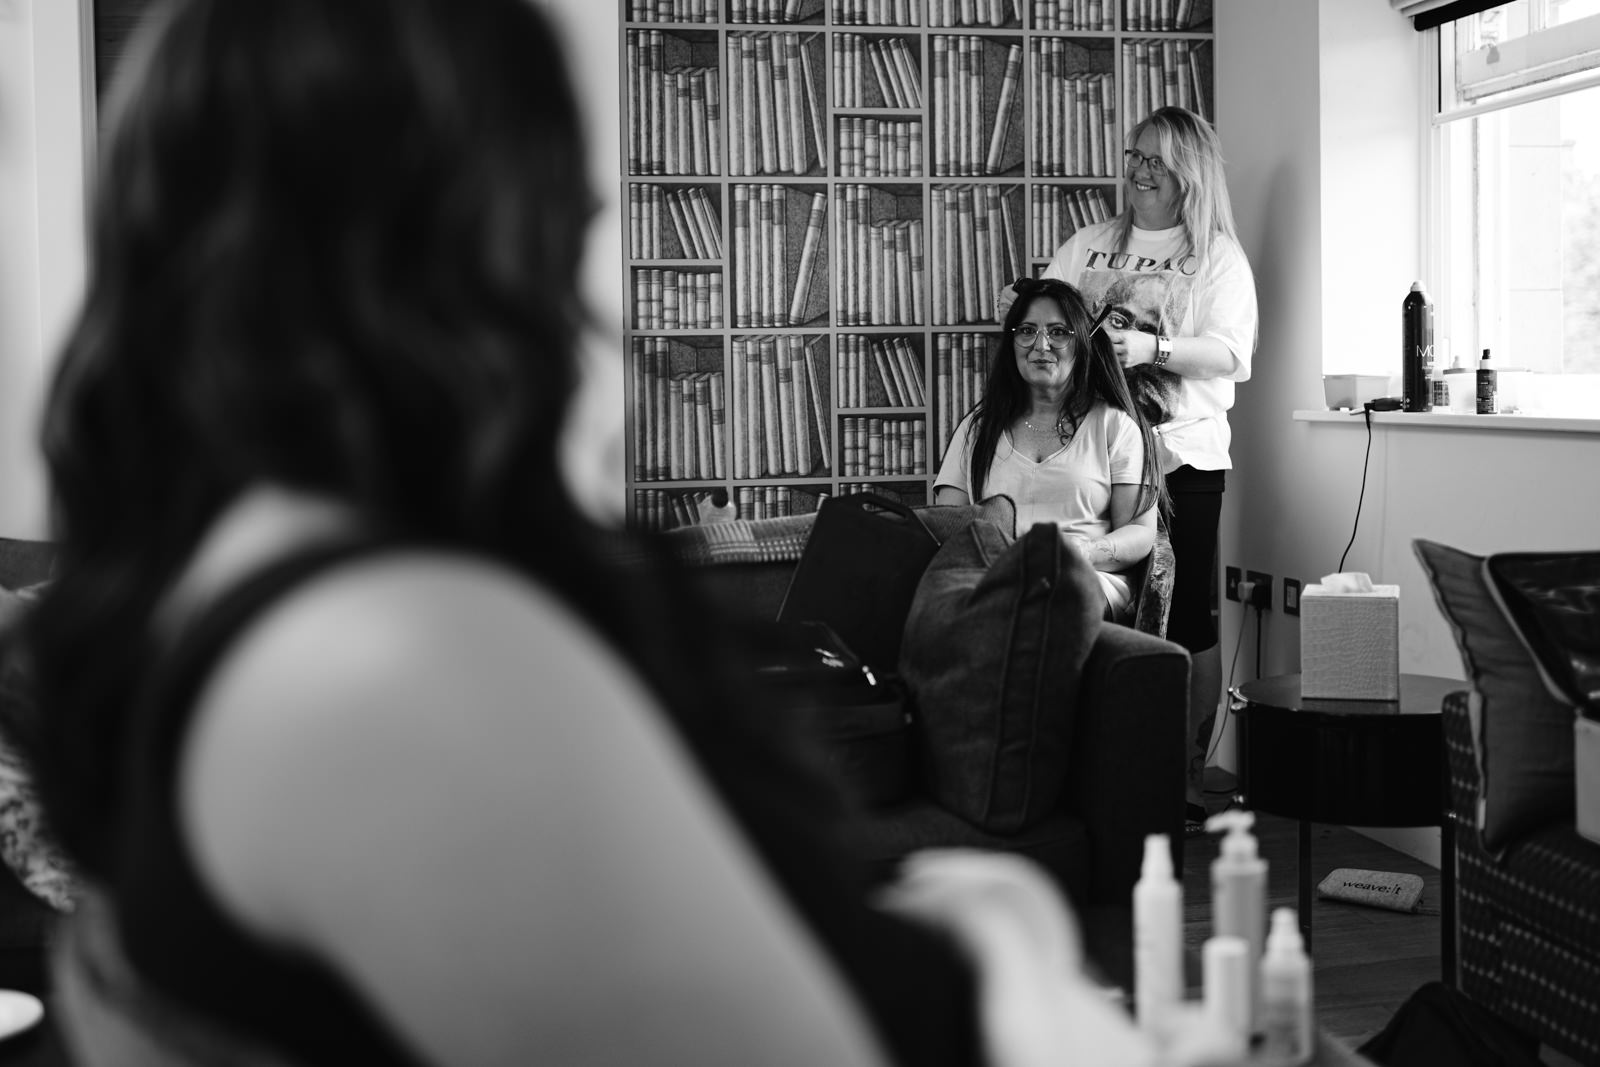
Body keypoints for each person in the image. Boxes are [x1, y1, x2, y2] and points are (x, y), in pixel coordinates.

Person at [1, 1, 1101, 1063]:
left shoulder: (216, 585)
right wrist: (1018, 953)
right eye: (569, 237)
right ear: (459, 265)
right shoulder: (397, 665)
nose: (599, 324)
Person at [997, 106, 1258, 830]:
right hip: (1097, 456)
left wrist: (1153, 352)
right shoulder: (1091, 245)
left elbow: (1232, 355)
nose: (1141, 170)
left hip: (1184, 457)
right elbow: (1041, 317)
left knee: (1185, 622)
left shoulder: (1216, 257)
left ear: (1191, 171)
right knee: (1103, 608)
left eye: (1158, 159)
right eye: (1135, 155)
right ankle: (1106, 772)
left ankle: (1181, 780)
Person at [934, 278, 1165, 621]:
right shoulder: (977, 429)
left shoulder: (1114, 427)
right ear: (1011, 342)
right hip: (995, 580)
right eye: (1026, 330)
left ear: (1083, 342)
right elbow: (946, 527)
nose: (1040, 345)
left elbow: (1140, 533)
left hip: (1085, 580)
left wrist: (1085, 552)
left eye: (1059, 332)